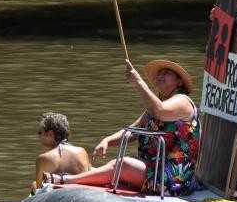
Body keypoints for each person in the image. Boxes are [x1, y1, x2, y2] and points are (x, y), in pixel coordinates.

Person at [46, 59, 200, 195]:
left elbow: (159, 111)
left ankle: (66, 181)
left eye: (167, 73)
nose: (161, 75)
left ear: (179, 82)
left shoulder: (183, 102)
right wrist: (107, 141)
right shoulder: (154, 107)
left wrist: (138, 82)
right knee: (118, 164)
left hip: (175, 177)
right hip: (152, 166)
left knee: (123, 165)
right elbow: (132, 132)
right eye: (160, 72)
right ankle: (76, 178)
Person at [32, 112, 91, 193]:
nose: (38, 136)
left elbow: (39, 189)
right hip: (80, 196)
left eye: (40, 133)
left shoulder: (43, 159)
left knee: (34, 185)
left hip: (55, 200)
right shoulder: (81, 151)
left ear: (50, 134)